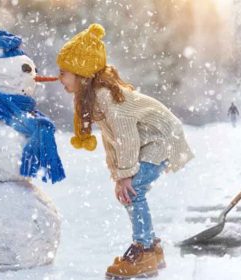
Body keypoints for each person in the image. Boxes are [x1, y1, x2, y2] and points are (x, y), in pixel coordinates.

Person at [56, 24, 194, 279]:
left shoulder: (105, 96)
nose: (59, 78)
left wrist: (126, 175)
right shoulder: (93, 99)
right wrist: (118, 175)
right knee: (128, 191)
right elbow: (112, 141)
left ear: (81, 72)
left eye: (63, 73)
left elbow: (127, 136)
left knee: (133, 191)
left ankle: (143, 251)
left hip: (161, 139)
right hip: (149, 141)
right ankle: (151, 249)